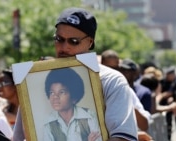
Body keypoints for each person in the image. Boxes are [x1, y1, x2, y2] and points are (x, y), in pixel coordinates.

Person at [12, 7, 138, 141]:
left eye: (73, 41)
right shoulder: (34, 79)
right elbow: (20, 136)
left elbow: (123, 136)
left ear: (90, 42)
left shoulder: (111, 80)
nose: (65, 47)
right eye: (59, 39)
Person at [43, 68, 101, 141]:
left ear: (73, 97)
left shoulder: (90, 116)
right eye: (52, 92)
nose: (55, 97)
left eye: (61, 92)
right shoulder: (49, 124)